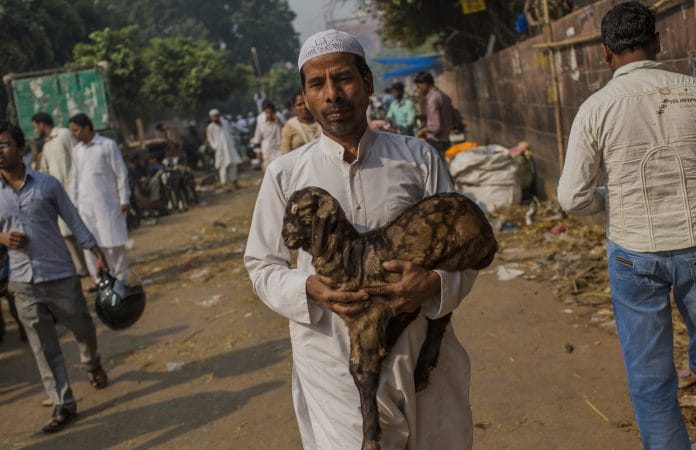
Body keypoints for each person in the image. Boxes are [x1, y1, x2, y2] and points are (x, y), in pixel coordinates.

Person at [244, 29, 478, 449]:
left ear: (366, 83)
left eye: (343, 79)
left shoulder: (418, 158)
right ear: (306, 96)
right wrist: (309, 289)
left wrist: (433, 285)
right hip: (330, 355)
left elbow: (461, 250)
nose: (332, 94)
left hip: (419, 347)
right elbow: (261, 265)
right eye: (317, 84)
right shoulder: (285, 175)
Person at [557, 2, 696, 449]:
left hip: (635, 252)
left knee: (651, 377)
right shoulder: (691, 91)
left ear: (604, 53)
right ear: (658, 43)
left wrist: (611, 199)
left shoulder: (596, 108)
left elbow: (572, 198)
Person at [0, 121, 110, 433]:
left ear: (20, 148)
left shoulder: (47, 184)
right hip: (22, 282)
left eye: (4, 144)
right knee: (42, 346)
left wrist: (96, 253)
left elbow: (73, 219)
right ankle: (63, 403)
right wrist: (2, 238)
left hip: (60, 274)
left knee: (84, 327)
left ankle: (92, 362)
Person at [68, 113, 130, 283]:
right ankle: (100, 281)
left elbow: (121, 173)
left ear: (87, 127)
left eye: (77, 130)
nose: (74, 133)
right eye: (72, 131)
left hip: (108, 204)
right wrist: (72, 204)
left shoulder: (107, 145)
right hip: (85, 206)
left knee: (113, 242)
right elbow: (74, 178)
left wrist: (124, 198)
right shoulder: (77, 150)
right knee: (90, 243)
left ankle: (121, 281)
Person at [32, 112, 89, 277]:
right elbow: (44, 171)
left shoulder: (64, 134)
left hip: (73, 191)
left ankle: (94, 266)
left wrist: (74, 187)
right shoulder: (47, 145)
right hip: (56, 196)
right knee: (66, 234)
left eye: (36, 126)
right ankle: (81, 268)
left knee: (81, 229)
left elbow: (77, 158)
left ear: (42, 124)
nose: (36, 130)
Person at [414, 71, 454, 160]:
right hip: (445, 139)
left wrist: (422, 131)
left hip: (436, 141)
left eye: (419, 86)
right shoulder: (443, 95)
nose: (418, 90)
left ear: (425, 84)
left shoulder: (433, 99)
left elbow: (435, 127)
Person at [206, 109, 241, 189]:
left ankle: (234, 182)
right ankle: (224, 183)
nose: (216, 118)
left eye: (217, 116)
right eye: (214, 116)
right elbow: (209, 139)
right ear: (211, 117)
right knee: (223, 167)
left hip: (229, 147)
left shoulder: (225, 123)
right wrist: (215, 146)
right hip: (220, 150)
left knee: (233, 165)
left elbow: (230, 132)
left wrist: (232, 143)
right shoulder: (210, 127)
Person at [281, 89, 321, 153]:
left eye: (306, 103)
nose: (304, 107)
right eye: (299, 104)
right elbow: (285, 153)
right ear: (293, 108)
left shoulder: (322, 123)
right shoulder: (289, 127)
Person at [251, 100, 282, 170]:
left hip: (279, 150)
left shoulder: (279, 119)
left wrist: (279, 122)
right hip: (266, 151)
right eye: (267, 112)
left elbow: (284, 133)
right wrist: (258, 152)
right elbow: (257, 137)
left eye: (271, 112)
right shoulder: (261, 122)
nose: (269, 115)